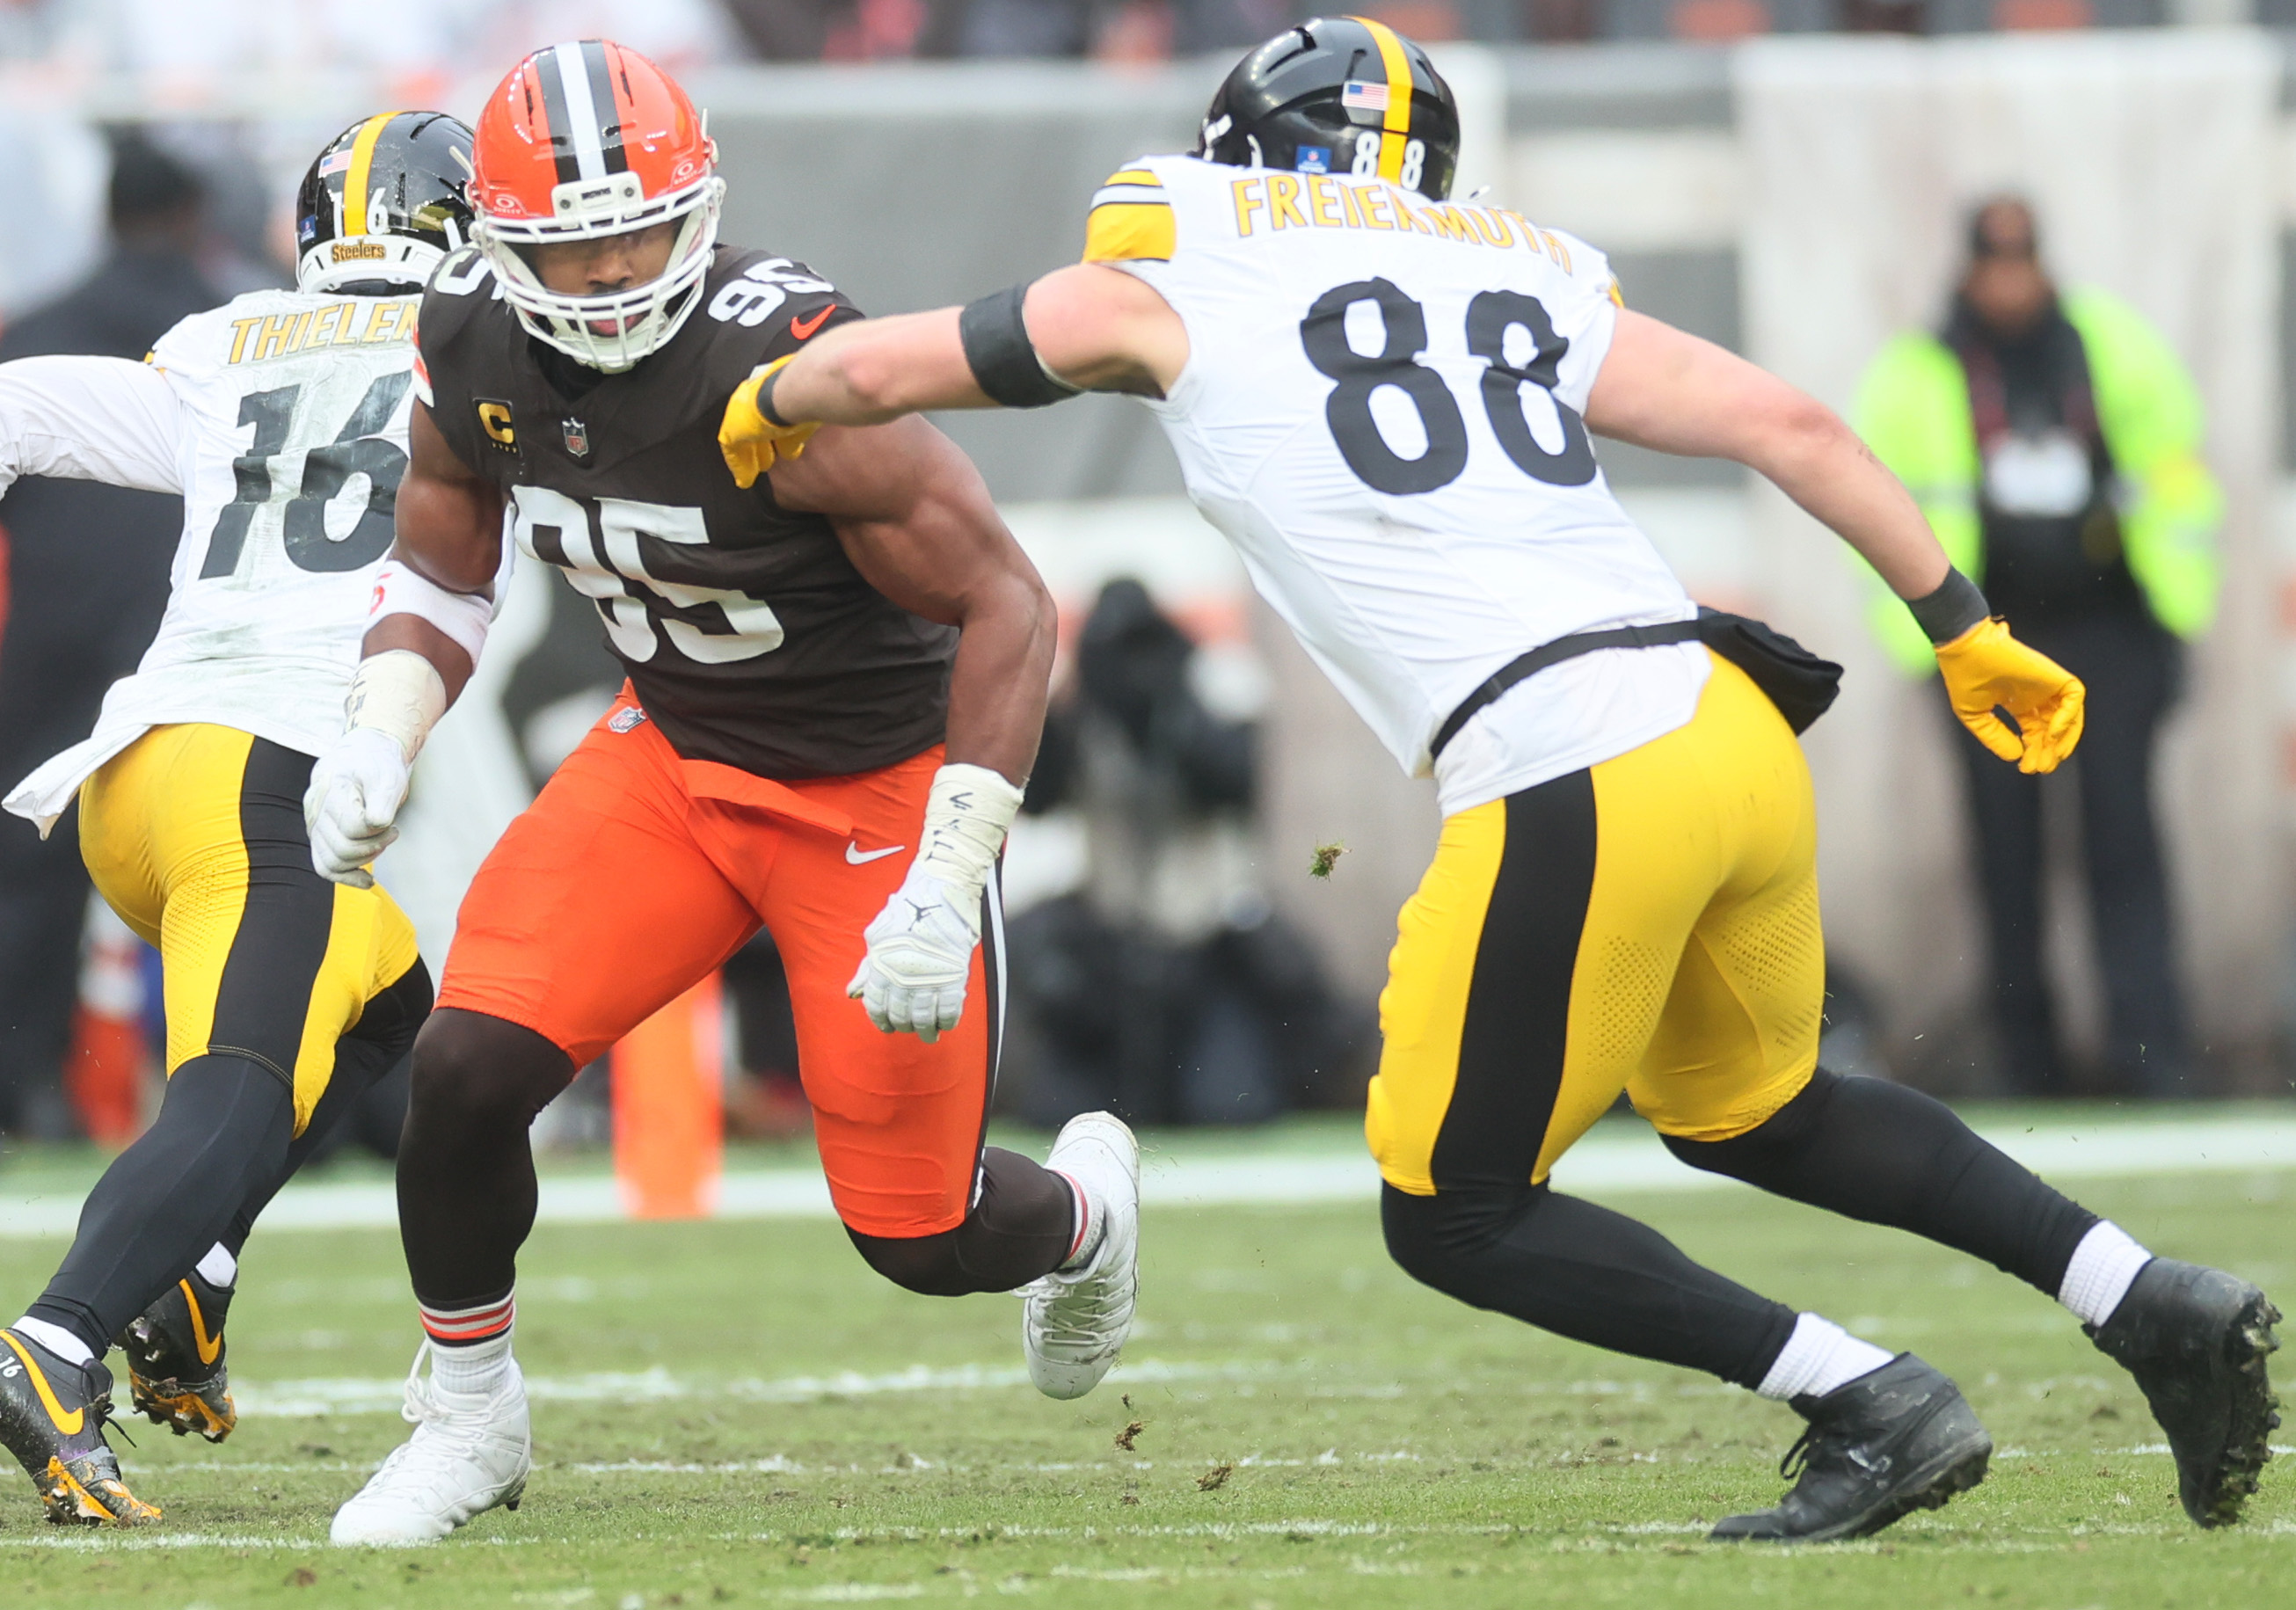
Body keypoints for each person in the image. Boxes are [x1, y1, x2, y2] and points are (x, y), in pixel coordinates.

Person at [732, 17, 2282, 1541]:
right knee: (1766, 1112)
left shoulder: (1185, 264)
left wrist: (754, 407)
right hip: (1724, 718)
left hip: (1571, 756)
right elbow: (1787, 425)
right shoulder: (1511, 266)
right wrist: (1964, 626)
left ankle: (1866, 1397)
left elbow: (880, 372)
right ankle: (2148, 1300)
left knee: (1454, 1210)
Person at [316, 41, 1139, 1547]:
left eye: (636, 227)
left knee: (921, 1234)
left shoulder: (793, 377)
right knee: (463, 1068)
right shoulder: (471, 350)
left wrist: (945, 879)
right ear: (502, 246)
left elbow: (1009, 603)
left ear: (700, 206)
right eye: (572, 242)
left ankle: (1084, 1219)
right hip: (677, 761)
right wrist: (384, 719)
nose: (614, 269)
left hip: (876, 792)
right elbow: (444, 549)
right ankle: (466, 1419)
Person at [0, 113, 476, 1526]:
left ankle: (191, 1280)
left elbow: (19, 406)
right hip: (275, 777)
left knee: (391, 1004)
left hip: (135, 778)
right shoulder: (488, 356)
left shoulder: (230, 338)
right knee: (242, 1083)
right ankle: (61, 1334)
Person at [1855, 198, 2219, 1097]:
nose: (2010, 281)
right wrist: (1929, 652)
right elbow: (1878, 512)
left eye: (2023, 261)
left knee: (2122, 839)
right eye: (1995, 263)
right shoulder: (1918, 369)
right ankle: (2029, 1065)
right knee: (2005, 856)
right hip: (1993, 636)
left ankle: (2149, 1056)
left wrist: (2173, 621)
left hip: (2108, 622)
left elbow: (2177, 476)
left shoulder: (2109, 346)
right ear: (1969, 269)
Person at [0, 130, 221, 1141]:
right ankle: (225, 1094)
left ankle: (30, 1088)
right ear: (191, 216)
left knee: (29, 870)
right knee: (221, 865)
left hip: (51, 632)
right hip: (198, 625)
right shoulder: (234, 323)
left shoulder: (34, 327)